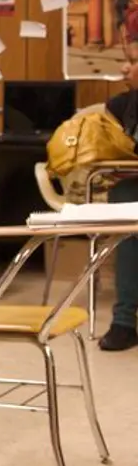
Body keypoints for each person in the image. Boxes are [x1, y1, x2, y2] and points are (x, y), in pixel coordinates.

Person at [100, 41, 138, 352]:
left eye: (133, 61)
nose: (124, 67)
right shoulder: (118, 106)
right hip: (131, 187)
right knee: (125, 200)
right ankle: (124, 321)